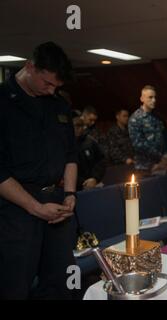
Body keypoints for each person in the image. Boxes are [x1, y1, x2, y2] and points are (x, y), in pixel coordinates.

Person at [0, 42, 77, 299]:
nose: (52, 90)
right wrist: (35, 207)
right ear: (30, 67)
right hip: (17, 210)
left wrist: (69, 194)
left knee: (60, 283)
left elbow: (70, 154)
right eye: (47, 83)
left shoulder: (57, 104)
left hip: (57, 205)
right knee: (15, 283)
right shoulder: (3, 102)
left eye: (57, 86)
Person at [128, 85, 167, 177]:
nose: (154, 100)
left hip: (162, 166)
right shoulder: (135, 118)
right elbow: (138, 144)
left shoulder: (159, 117)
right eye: (150, 97)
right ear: (142, 98)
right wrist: (160, 157)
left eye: (155, 97)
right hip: (145, 168)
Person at [73, 116, 107, 190]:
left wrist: (95, 178)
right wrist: (83, 183)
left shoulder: (90, 142)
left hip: (93, 183)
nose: (79, 129)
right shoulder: (65, 144)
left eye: (81, 126)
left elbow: (101, 160)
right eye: (76, 126)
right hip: (74, 187)